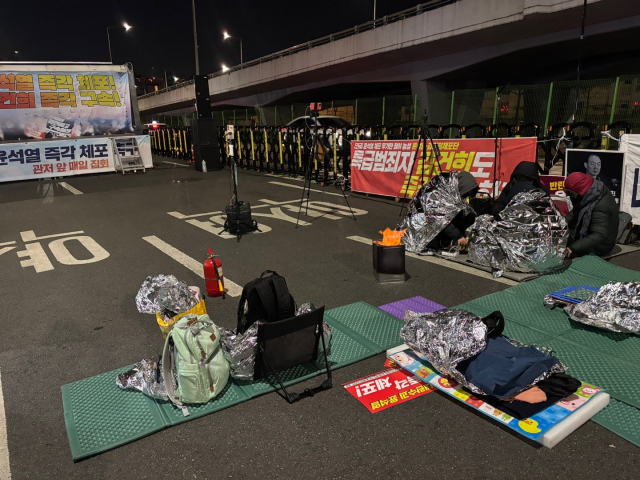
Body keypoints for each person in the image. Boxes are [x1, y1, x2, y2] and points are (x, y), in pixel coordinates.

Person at [563, 172, 619, 258]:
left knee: (562, 254)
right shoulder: (592, 193)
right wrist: (562, 225)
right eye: (566, 192)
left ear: (581, 192)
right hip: (588, 235)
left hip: (600, 245)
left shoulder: (601, 206)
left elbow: (599, 234)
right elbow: (576, 211)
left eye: (571, 194)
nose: (569, 196)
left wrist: (572, 248)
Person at [427, 171, 479, 250]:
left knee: (468, 214)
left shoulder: (456, 196)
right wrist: (458, 236)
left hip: (445, 226)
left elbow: (469, 215)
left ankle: (454, 241)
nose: (466, 197)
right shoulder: (441, 195)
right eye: (467, 194)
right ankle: (446, 241)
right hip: (430, 231)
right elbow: (441, 220)